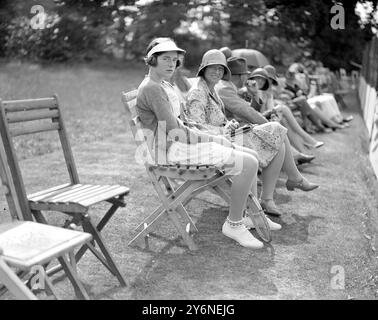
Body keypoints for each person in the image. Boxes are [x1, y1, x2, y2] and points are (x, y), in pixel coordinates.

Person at [135, 37, 277, 249]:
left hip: (181, 144)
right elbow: (175, 131)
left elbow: (182, 122)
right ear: (151, 60)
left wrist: (209, 133)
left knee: (252, 156)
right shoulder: (153, 89)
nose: (171, 64)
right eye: (165, 59)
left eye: (174, 60)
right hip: (172, 151)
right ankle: (234, 224)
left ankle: (248, 215)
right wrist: (213, 138)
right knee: (247, 163)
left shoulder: (163, 84)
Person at [182, 49, 287, 217]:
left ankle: (265, 201)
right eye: (213, 67)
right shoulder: (198, 92)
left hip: (225, 136)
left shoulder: (211, 88)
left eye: (221, 68)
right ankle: (255, 209)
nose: (217, 72)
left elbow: (215, 119)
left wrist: (228, 124)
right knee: (272, 137)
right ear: (203, 68)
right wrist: (224, 130)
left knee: (277, 136)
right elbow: (197, 127)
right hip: (212, 143)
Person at [215, 56, 319, 200]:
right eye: (246, 74)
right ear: (240, 76)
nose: (248, 77)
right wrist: (267, 123)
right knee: (277, 130)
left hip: (236, 131)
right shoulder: (226, 89)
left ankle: (272, 196)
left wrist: (255, 97)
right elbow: (247, 112)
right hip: (229, 136)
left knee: (278, 130)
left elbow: (249, 110)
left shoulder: (230, 88)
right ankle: (287, 182)